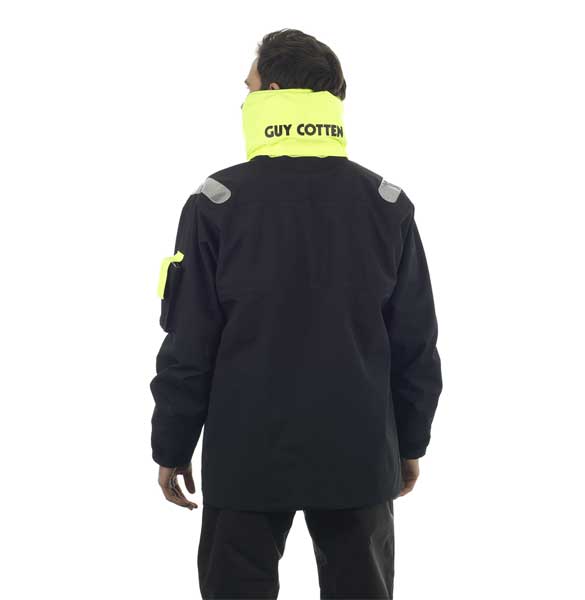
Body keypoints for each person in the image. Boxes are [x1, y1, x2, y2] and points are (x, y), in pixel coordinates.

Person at [149, 28, 443, 599]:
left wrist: (173, 444)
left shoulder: (216, 204)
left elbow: (189, 342)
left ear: (274, 93)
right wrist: (408, 443)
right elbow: (414, 343)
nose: (243, 96)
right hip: (359, 451)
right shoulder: (386, 205)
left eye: (249, 85)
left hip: (245, 454)